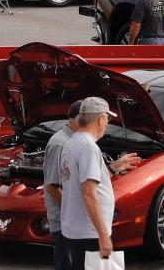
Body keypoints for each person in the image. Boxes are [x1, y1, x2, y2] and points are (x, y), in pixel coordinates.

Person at [60, 98, 140, 270]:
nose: (107, 124)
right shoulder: (89, 148)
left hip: (75, 228)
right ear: (100, 119)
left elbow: (79, 180)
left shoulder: (72, 142)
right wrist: (103, 235)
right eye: (108, 119)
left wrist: (112, 168)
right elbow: (89, 193)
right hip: (88, 231)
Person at [44, 100, 81, 270]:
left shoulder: (78, 140)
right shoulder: (60, 143)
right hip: (64, 223)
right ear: (78, 119)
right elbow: (52, 186)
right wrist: (71, 213)